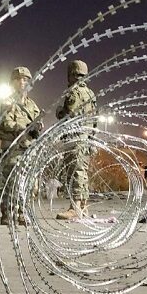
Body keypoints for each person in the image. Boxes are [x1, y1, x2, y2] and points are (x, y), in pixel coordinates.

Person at [0, 66, 42, 226]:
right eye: (19, 79)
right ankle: (8, 213)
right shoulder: (8, 102)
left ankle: (23, 213)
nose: (22, 82)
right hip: (13, 148)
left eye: (25, 79)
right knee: (12, 182)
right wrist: (26, 127)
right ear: (13, 82)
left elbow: (37, 122)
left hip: (29, 147)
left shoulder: (32, 105)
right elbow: (7, 123)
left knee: (30, 183)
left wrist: (37, 128)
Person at [55, 60, 97, 220]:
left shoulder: (73, 93)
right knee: (82, 172)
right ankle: (83, 206)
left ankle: (75, 207)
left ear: (71, 74)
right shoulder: (90, 94)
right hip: (86, 138)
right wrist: (92, 139)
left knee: (74, 173)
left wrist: (59, 112)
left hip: (74, 138)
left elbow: (69, 116)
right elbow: (95, 120)